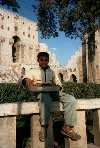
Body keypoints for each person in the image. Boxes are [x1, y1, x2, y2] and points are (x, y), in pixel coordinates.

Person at [22, 52, 81, 142]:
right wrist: (26, 79)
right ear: (38, 60)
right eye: (42, 60)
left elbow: (59, 85)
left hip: (53, 92)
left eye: (46, 60)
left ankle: (67, 127)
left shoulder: (52, 72)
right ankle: (44, 127)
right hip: (41, 93)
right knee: (45, 98)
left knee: (71, 99)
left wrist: (55, 86)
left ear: (48, 61)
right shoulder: (32, 71)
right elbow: (24, 80)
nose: (44, 62)